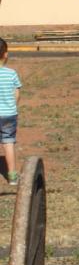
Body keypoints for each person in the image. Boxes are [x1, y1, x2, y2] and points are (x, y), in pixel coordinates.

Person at [0, 38, 21, 186]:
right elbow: (16, 94)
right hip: (9, 114)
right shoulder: (12, 73)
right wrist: (12, 106)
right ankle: (12, 176)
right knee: (8, 142)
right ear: (5, 54)